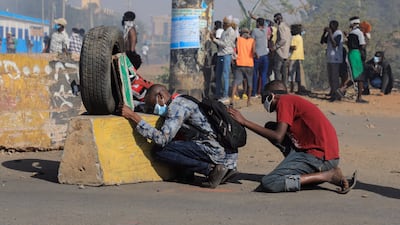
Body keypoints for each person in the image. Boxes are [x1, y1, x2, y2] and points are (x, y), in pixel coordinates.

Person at [227, 80, 357, 193]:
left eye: (264, 99)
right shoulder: (291, 100)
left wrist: (244, 122)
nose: (263, 104)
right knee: (270, 126)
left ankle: (327, 176)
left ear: (271, 96)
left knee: (270, 182)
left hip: (320, 157)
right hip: (324, 154)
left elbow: (278, 136)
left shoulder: (284, 101)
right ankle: (301, 170)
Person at [120, 84, 238, 188]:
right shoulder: (183, 100)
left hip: (216, 151)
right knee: (180, 141)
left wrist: (134, 117)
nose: (153, 110)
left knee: (159, 151)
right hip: (226, 154)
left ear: (160, 97)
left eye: (153, 106)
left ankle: (211, 170)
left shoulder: (177, 107)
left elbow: (162, 139)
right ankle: (219, 170)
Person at [337, 16, 368, 103]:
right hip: (356, 54)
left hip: (351, 53)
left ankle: (342, 89)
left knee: (356, 76)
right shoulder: (359, 33)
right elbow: (362, 45)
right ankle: (359, 97)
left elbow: (349, 44)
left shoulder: (351, 33)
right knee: (360, 77)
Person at [210, 16, 236, 103]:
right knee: (218, 75)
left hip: (226, 54)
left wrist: (214, 40)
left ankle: (225, 95)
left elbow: (225, 44)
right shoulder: (224, 32)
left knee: (225, 76)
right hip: (221, 54)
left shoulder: (231, 32)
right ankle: (218, 94)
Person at [320, 20, 344, 101]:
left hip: (336, 58)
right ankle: (332, 91)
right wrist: (324, 33)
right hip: (330, 58)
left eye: (331, 26)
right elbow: (322, 41)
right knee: (330, 77)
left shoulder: (338, 33)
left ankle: (336, 95)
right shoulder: (331, 34)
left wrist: (330, 34)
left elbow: (335, 44)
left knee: (334, 78)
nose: (330, 27)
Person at [231, 27, 255, 106]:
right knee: (249, 83)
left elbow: (236, 50)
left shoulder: (238, 40)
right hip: (249, 64)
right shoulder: (252, 41)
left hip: (240, 63)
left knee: (236, 82)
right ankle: (248, 101)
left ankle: (232, 99)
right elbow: (253, 52)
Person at [251, 18, 269, 98]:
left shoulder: (254, 31)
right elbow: (266, 23)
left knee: (255, 74)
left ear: (258, 23)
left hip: (257, 55)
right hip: (265, 55)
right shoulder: (265, 30)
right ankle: (263, 92)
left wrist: (254, 52)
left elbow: (252, 42)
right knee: (263, 75)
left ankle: (254, 92)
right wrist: (255, 18)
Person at [272, 13, 291, 84]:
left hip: (280, 52)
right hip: (286, 53)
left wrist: (275, 47)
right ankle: (284, 87)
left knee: (277, 70)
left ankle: (278, 86)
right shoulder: (287, 27)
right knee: (284, 73)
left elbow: (283, 40)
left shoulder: (280, 27)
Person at [203, 22, 219, 98]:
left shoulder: (213, 37)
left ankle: (212, 93)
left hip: (214, 58)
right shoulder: (221, 34)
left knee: (213, 77)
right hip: (217, 57)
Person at [288, 24, 304, 94]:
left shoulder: (294, 38)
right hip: (300, 56)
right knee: (298, 74)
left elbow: (293, 47)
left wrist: (287, 46)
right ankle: (299, 88)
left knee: (292, 74)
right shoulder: (300, 37)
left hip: (293, 56)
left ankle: (292, 88)